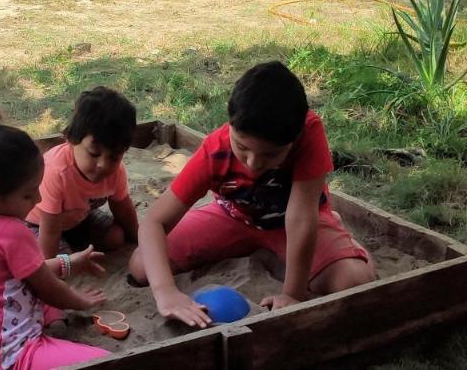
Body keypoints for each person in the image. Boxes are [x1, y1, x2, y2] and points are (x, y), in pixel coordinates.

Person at [129, 61, 376, 328]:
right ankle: (262, 246)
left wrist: (292, 294)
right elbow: (154, 222)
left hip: (295, 221)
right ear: (230, 125)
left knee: (353, 280)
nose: (253, 163)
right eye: (242, 147)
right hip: (233, 217)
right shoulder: (215, 150)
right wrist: (166, 293)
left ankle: (341, 235)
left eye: (270, 154)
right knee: (142, 265)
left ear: (293, 139)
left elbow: (301, 217)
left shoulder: (310, 132)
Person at [0, 109, 111, 370]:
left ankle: (52, 327)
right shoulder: (11, 232)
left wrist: (70, 262)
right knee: (105, 362)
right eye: (29, 196)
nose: (38, 201)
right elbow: (49, 288)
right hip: (4, 356)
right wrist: (81, 301)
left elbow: (24, 273)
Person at [28, 87, 139, 259]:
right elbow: (50, 230)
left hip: (79, 220)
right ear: (71, 140)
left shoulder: (116, 172)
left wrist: (139, 239)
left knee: (117, 238)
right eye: (94, 154)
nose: (103, 165)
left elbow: (123, 208)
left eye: (114, 157)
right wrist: (50, 271)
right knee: (64, 261)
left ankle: (74, 245)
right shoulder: (56, 171)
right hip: (38, 224)